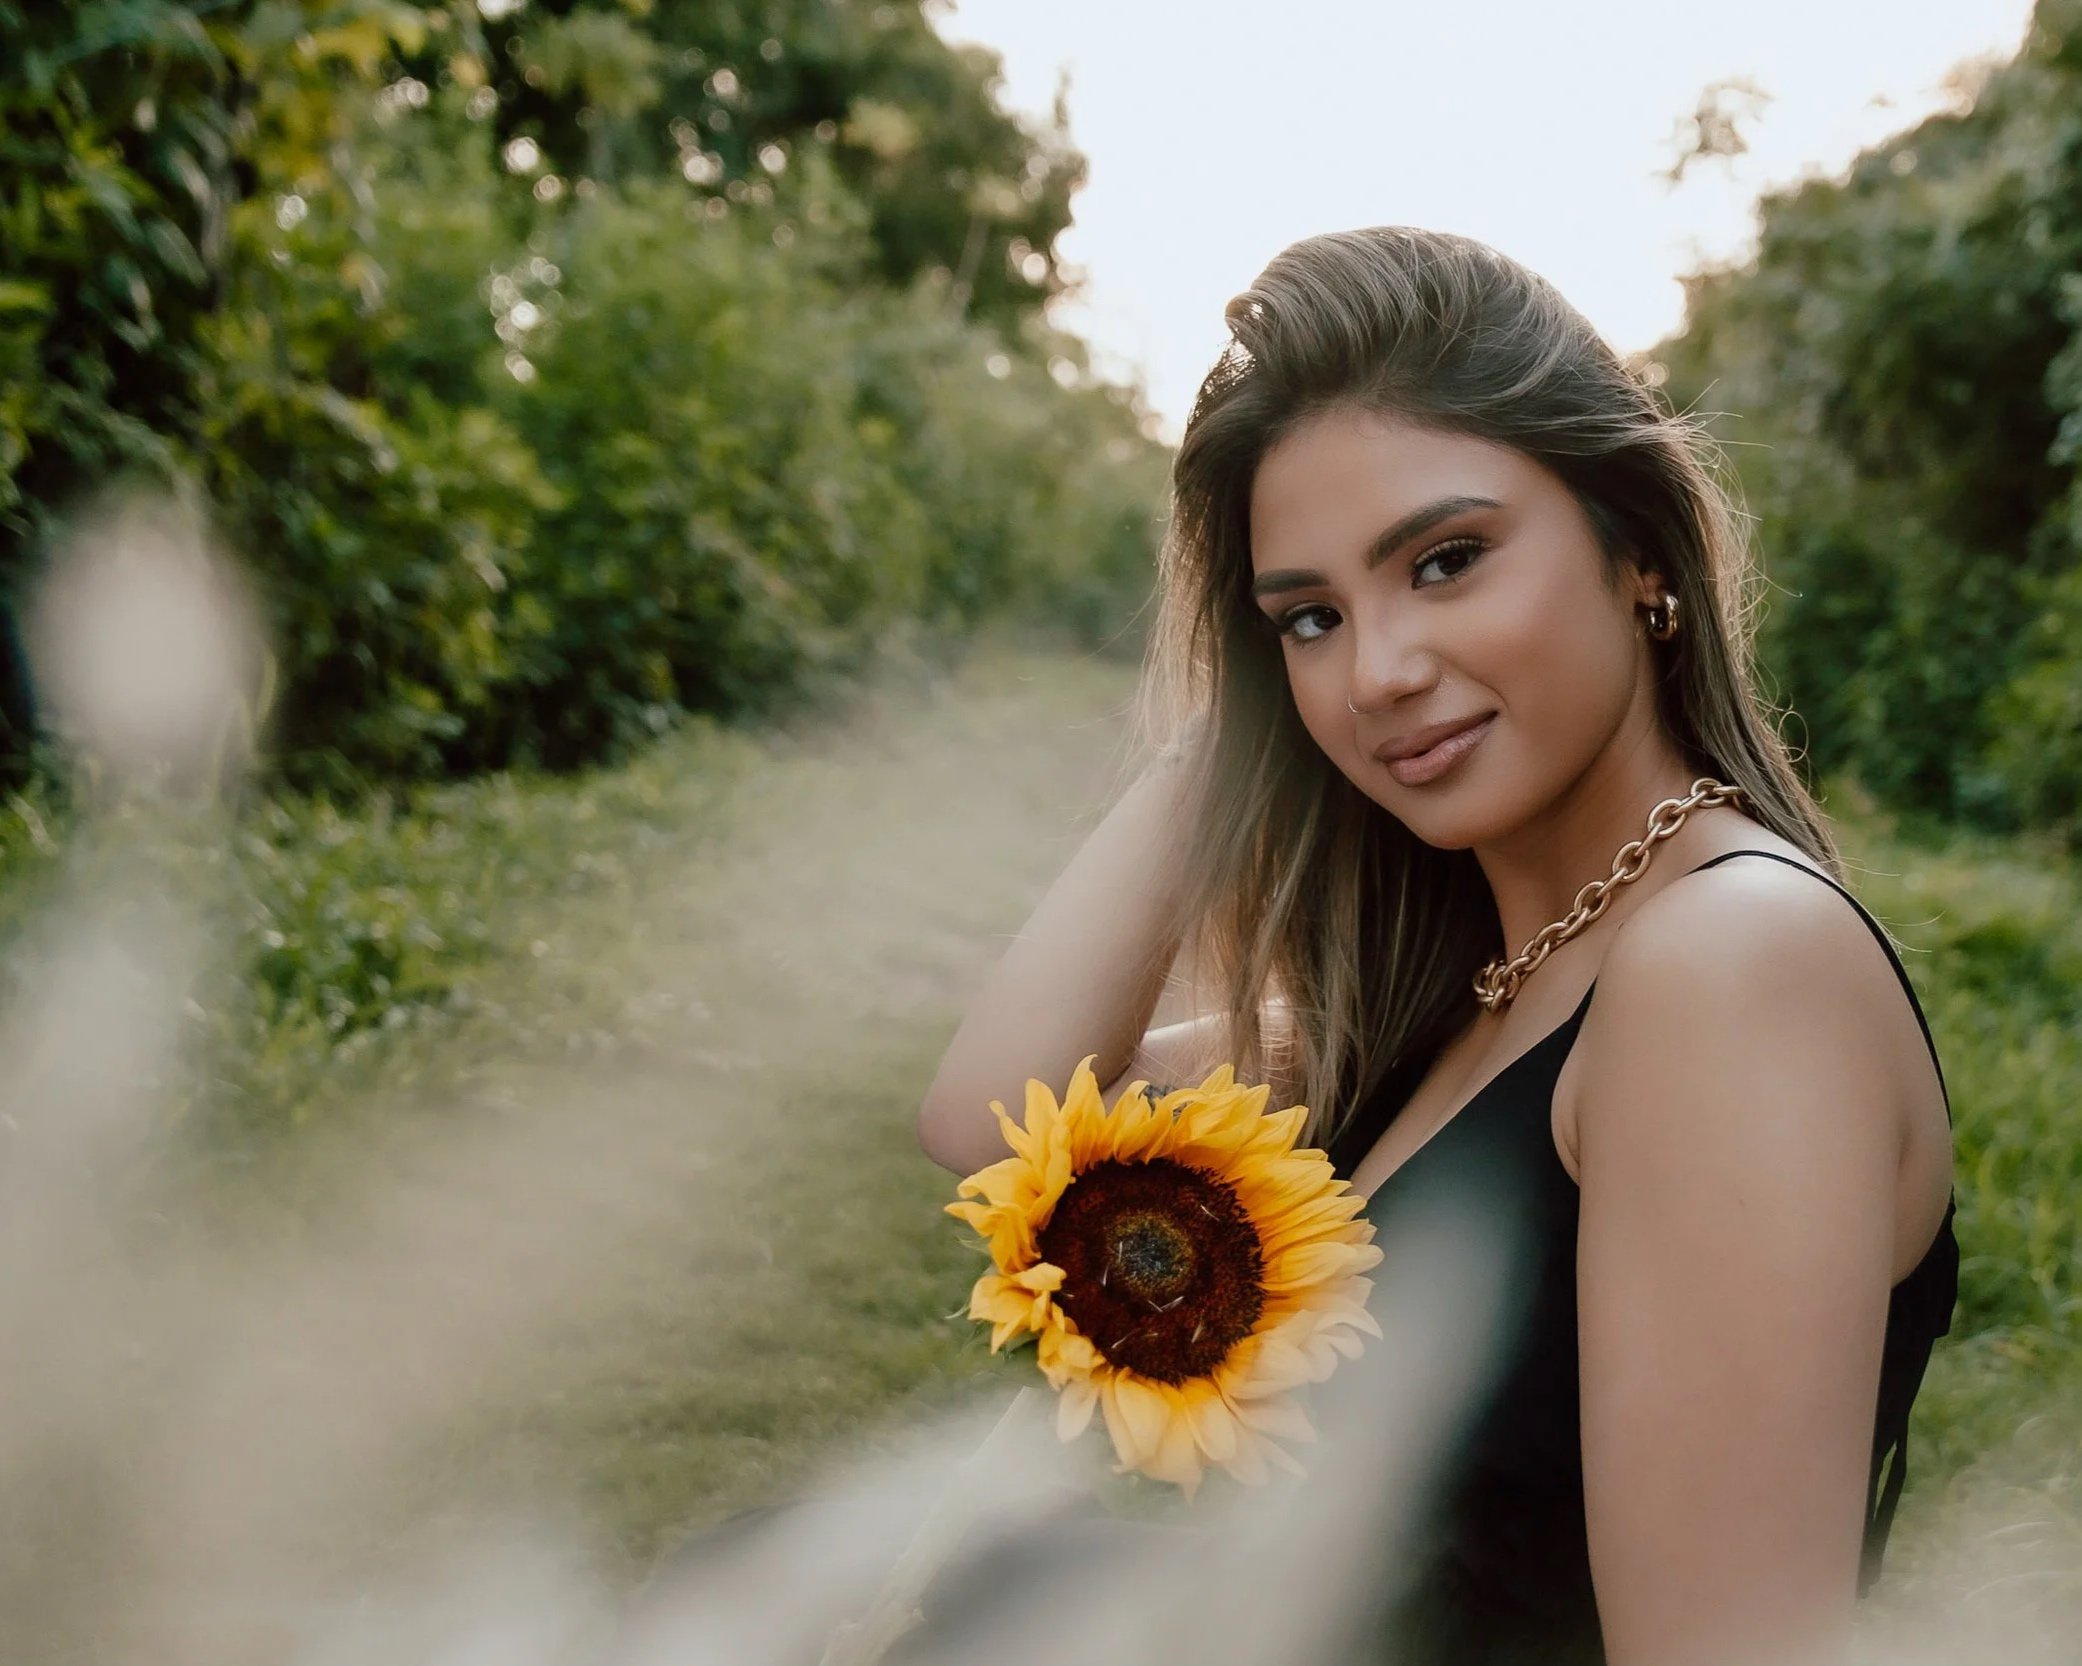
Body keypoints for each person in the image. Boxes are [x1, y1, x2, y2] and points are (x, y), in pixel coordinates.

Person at [917, 226, 1960, 1666]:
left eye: (1447, 559)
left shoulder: (1729, 965)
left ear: (1637, 550)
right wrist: (1244, 708)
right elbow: (993, 1119)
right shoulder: (1482, 983)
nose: (1379, 671)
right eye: (1312, 616)